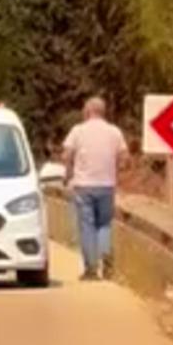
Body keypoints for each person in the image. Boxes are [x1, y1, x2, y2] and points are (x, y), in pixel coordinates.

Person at [62, 96, 130, 281]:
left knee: (87, 227)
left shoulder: (78, 131)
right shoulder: (114, 132)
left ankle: (91, 269)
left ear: (88, 111)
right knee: (104, 224)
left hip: (84, 185)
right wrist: (117, 170)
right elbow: (124, 157)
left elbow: (67, 155)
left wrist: (68, 175)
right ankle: (107, 265)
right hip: (107, 185)